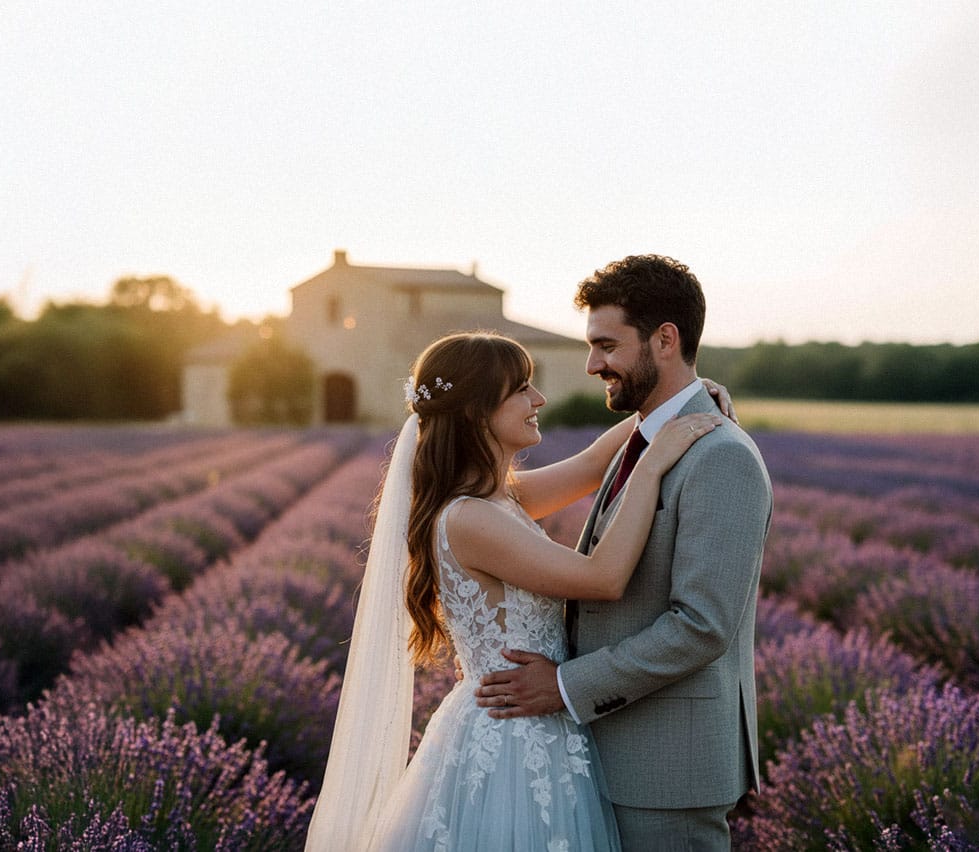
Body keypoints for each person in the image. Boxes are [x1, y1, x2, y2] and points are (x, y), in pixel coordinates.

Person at [305, 330, 731, 851]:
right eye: (521, 389)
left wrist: (685, 396)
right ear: (475, 412)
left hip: (540, 724)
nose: (539, 400)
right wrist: (657, 458)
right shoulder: (471, 519)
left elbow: (595, 462)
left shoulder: (498, 500)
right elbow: (604, 577)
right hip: (511, 743)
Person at [476, 255, 773, 850]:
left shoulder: (723, 459)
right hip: (600, 751)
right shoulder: (644, 439)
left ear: (666, 340)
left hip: (668, 769)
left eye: (607, 345)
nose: (592, 364)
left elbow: (701, 626)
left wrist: (564, 686)